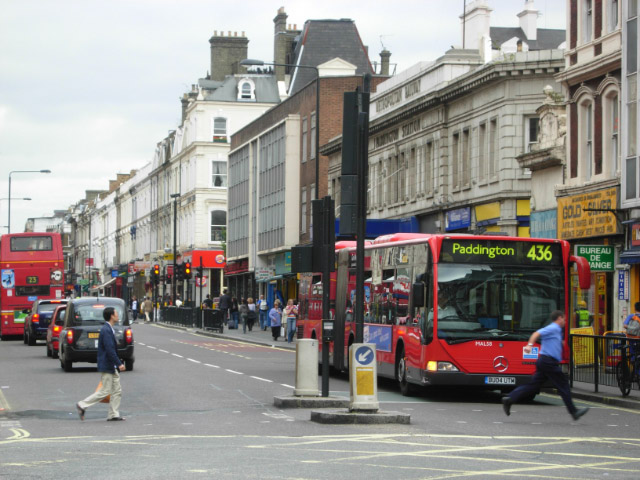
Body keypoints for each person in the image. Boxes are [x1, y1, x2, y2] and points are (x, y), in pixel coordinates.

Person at [502, 310, 589, 421]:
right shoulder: (553, 328)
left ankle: (509, 399)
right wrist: (529, 345)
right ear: (559, 318)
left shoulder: (557, 331)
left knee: (533, 386)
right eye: (564, 319)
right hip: (548, 362)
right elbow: (536, 334)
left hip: (545, 361)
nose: (565, 321)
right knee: (564, 385)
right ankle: (574, 412)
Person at [76, 307, 126, 422]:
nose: (118, 315)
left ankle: (113, 414)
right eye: (116, 313)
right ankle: (82, 405)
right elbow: (109, 349)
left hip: (111, 366)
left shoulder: (109, 329)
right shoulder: (106, 330)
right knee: (105, 391)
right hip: (108, 365)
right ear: (112, 316)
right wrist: (119, 363)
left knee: (117, 391)